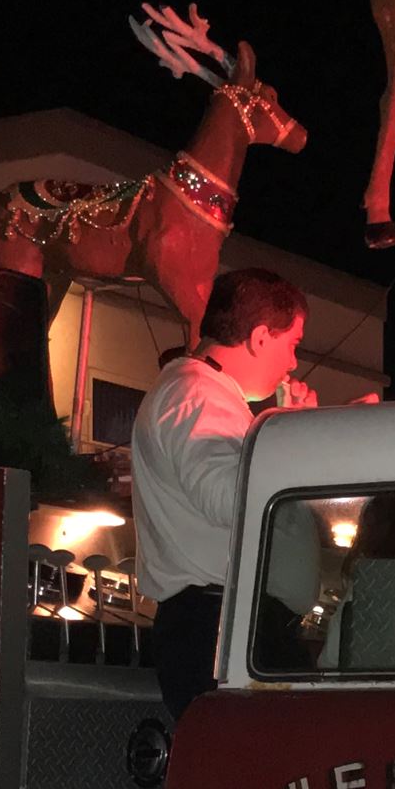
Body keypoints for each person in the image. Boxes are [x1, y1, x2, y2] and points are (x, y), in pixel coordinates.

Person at [132, 267, 314, 717]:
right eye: (293, 343)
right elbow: (228, 496)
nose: (293, 363)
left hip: (222, 625)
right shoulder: (196, 394)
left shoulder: (203, 393)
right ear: (260, 338)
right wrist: (298, 436)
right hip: (217, 628)